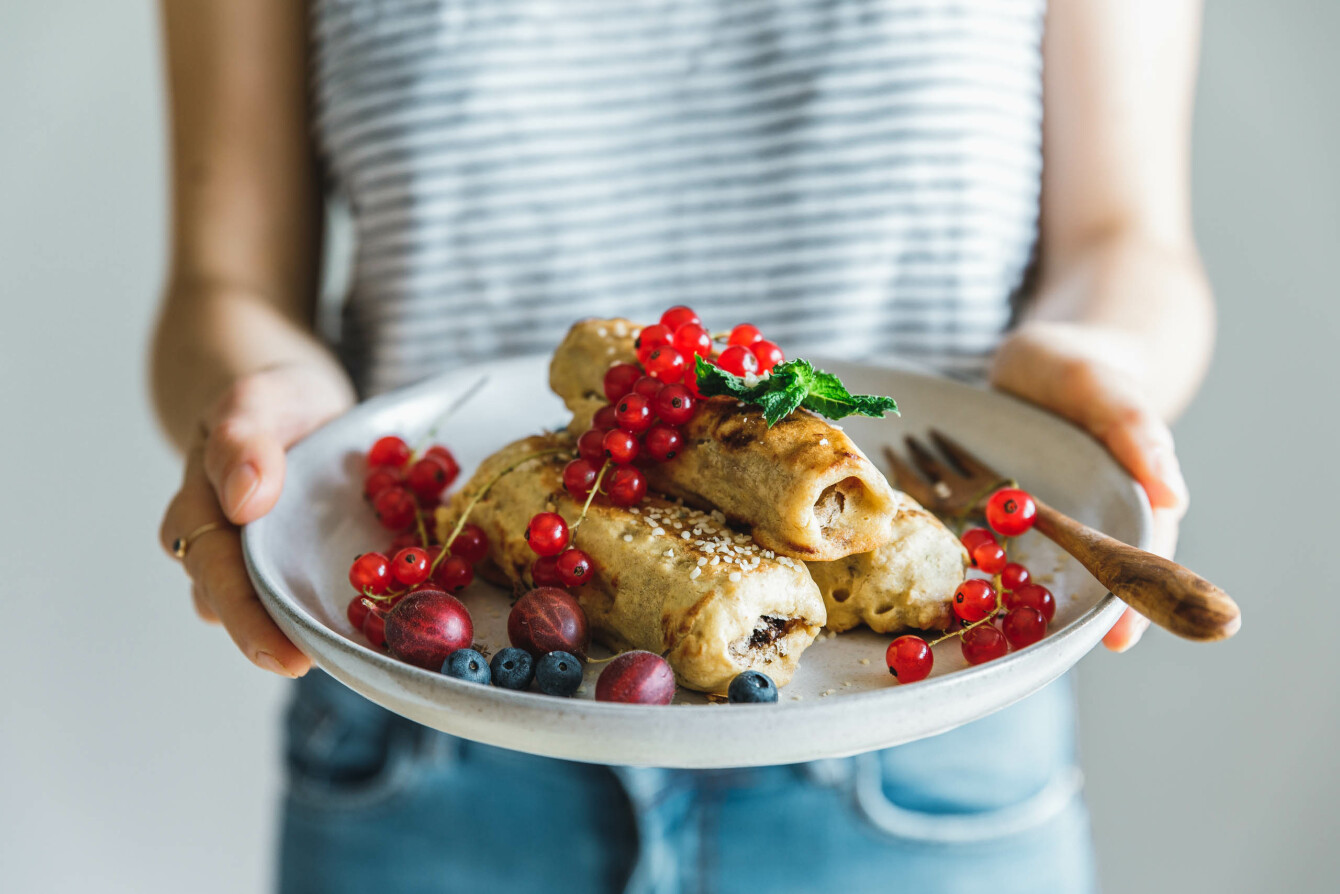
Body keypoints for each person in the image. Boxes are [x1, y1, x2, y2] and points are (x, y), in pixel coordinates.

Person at [153, 1, 1212, 892]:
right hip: (427, 735)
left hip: (930, 758)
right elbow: (223, 284)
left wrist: (1099, 354)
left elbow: (1125, 243)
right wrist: (254, 396)